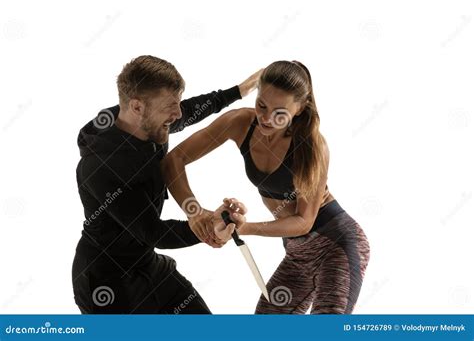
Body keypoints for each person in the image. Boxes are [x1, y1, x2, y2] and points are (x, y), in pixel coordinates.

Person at [163, 60, 371, 314]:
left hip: (336, 244)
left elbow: (304, 222)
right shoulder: (240, 123)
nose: (266, 118)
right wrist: (194, 212)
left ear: (300, 109)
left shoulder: (313, 146)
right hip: (297, 253)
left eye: (279, 113)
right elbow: (174, 160)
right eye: (261, 105)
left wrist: (244, 227)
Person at [72, 55, 256, 314]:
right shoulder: (102, 167)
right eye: (170, 106)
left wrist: (242, 89)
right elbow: (154, 232)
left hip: (148, 265)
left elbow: (192, 110)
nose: (178, 114)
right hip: (107, 285)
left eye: (178, 102)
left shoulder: (149, 124)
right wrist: (209, 227)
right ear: (136, 107)